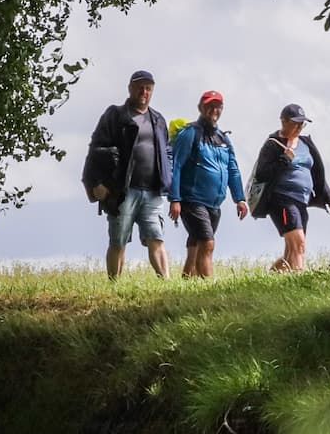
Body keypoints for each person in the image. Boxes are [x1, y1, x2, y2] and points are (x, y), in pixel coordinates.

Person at [81, 69, 172, 280]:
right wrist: (96, 183)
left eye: (148, 88)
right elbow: (96, 150)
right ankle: (114, 286)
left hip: (152, 190)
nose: (144, 91)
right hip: (122, 190)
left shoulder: (158, 119)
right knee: (118, 241)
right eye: (140, 87)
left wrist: (169, 177)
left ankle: (167, 283)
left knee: (156, 238)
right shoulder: (115, 115)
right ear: (130, 88)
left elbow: (167, 151)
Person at [167, 91, 248, 280]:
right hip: (192, 200)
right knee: (208, 243)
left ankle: (186, 284)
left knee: (196, 245)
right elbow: (176, 166)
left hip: (214, 203)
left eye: (218, 106)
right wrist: (175, 199)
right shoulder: (190, 133)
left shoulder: (224, 139)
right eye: (210, 106)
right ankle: (210, 289)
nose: (214, 110)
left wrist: (240, 199)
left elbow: (233, 169)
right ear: (201, 108)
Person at [251, 103, 330, 273]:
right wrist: (284, 159)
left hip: (302, 201)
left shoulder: (306, 143)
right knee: (299, 244)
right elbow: (262, 174)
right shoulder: (273, 143)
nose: (299, 127)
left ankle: (271, 277)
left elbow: (317, 175)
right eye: (296, 123)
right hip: (281, 199)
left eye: (302, 124)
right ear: (284, 122)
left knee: (291, 253)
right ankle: (301, 283)